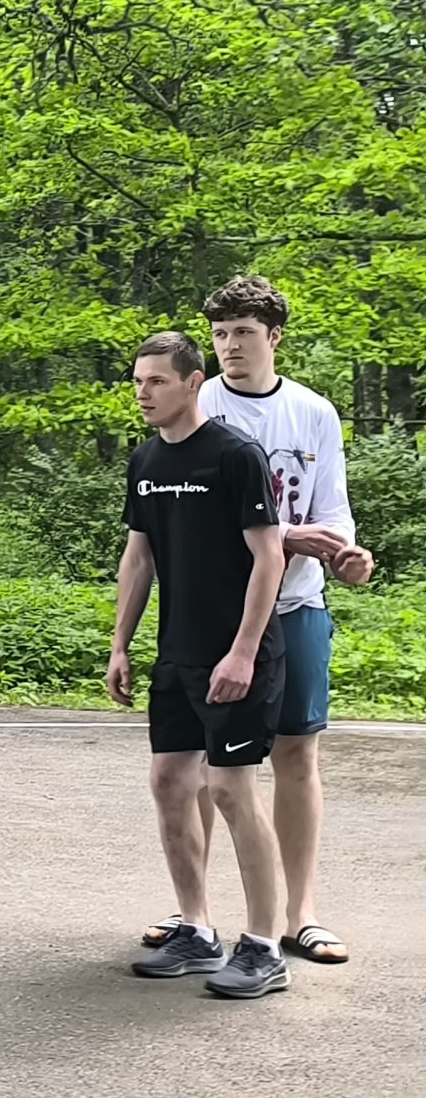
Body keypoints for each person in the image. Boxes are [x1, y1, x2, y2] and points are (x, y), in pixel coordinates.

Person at [134, 277, 373, 967]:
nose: (230, 345)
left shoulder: (313, 412)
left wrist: (345, 554)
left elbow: (332, 510)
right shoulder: (193, 401)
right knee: (203, 767)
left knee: (296, 754)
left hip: (296, 605)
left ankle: (300, 916)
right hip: (216, 616)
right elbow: (179, 517)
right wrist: (283, 537)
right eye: (220, 333)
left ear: (273, 337)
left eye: (243, 331)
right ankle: (196, 916)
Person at [109, 331, 293, 999]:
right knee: (169, 781)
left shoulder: (235, 455)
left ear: (193, 383)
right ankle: (196, 930)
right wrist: (121, 644)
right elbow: (139, 558)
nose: (143, 393)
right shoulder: (145, 460)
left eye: (156, 381)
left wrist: (242, 652)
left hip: (239, 654)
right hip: (176, 655)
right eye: (137, 381)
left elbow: (270, 557)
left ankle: (265, 947)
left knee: (231, 789)